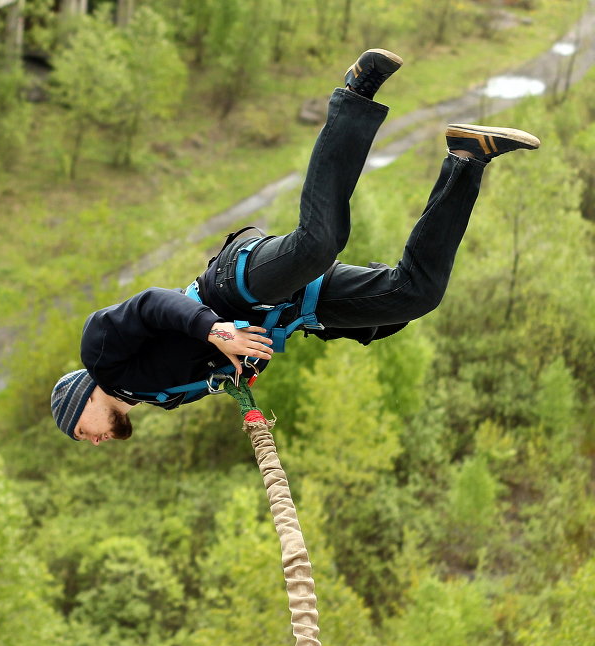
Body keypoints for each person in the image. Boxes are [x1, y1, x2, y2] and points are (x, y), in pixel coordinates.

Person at [50, 48, 540, 444]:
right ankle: (466, 159)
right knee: (415, 295)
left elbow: (151, 304)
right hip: (289, 312)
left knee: (318, 244)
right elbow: (218, 353)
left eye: (79, 432)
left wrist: (218, 333)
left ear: (82, 398)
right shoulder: (163, 395)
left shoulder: (100, 352)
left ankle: (356, 92)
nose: (92, 441)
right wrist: (240, 365)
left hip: (231, 288)